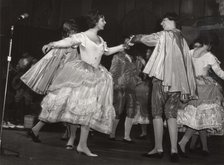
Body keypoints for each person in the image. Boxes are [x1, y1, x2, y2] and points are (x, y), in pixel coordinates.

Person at [25, 10, 132, 157]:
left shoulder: (100, 39)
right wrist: (53, 44)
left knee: (87, 110)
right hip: (81, 75)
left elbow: (106, 52)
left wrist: (122, 46)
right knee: (65, 105)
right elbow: (69, 41)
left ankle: (81, 144)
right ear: (95, 21)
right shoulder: (83, 36)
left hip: (96, 76)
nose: (105, 22)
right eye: (103, 20)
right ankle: (74, 142)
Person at [131, 12, 197, 162]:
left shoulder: (165, 35)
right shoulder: (182, 39)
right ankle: (174, 150)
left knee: (156, 113)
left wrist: (133, 38)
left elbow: (147, 39)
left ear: (173, 21)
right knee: (171, 115)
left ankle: (158, 148)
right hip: (177, 83)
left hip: (161, 80)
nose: (162, 23)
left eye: (164, 20)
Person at [21, 19, 81, 149]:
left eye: (75, 29)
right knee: (70, 109)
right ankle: (71, 139)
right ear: (68, 32)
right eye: (73, 30)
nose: (75, 32)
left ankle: (37, 130)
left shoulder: (64, 46)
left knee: (60, 109)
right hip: (66, 82)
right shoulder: (66, 46)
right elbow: (57, 65)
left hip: (66, 81)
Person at [177, 33, 224, 156]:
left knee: (199, 117)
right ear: (208, 44)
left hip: (191, 86)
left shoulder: (190, 52)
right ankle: (183, 142)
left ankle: (204, 147)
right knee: (199, 117)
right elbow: (219, 72)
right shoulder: (209, 56)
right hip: (204, 88)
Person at [109, 44, 139, 143]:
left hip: (132, 86)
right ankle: (112, 133)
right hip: (120, 86)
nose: (129, 45)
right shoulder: (117, 57)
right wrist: (114, 84)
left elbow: (137, 73)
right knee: (118, 110)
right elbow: (112, 72)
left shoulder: (134, 58)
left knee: (131, 110)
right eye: (127, 43)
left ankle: (127, 136)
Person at [133, 48, 152, 140]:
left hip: (150, 87)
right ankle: (143, 132)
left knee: (149, 109)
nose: (147, 53)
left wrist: (144, 63)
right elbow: (136, 73)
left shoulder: (154, 62)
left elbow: (151, 73)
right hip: (142, 88)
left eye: (149, 52)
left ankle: (155, 132)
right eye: (147, 52)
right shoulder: (140, 62)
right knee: (141, 108)